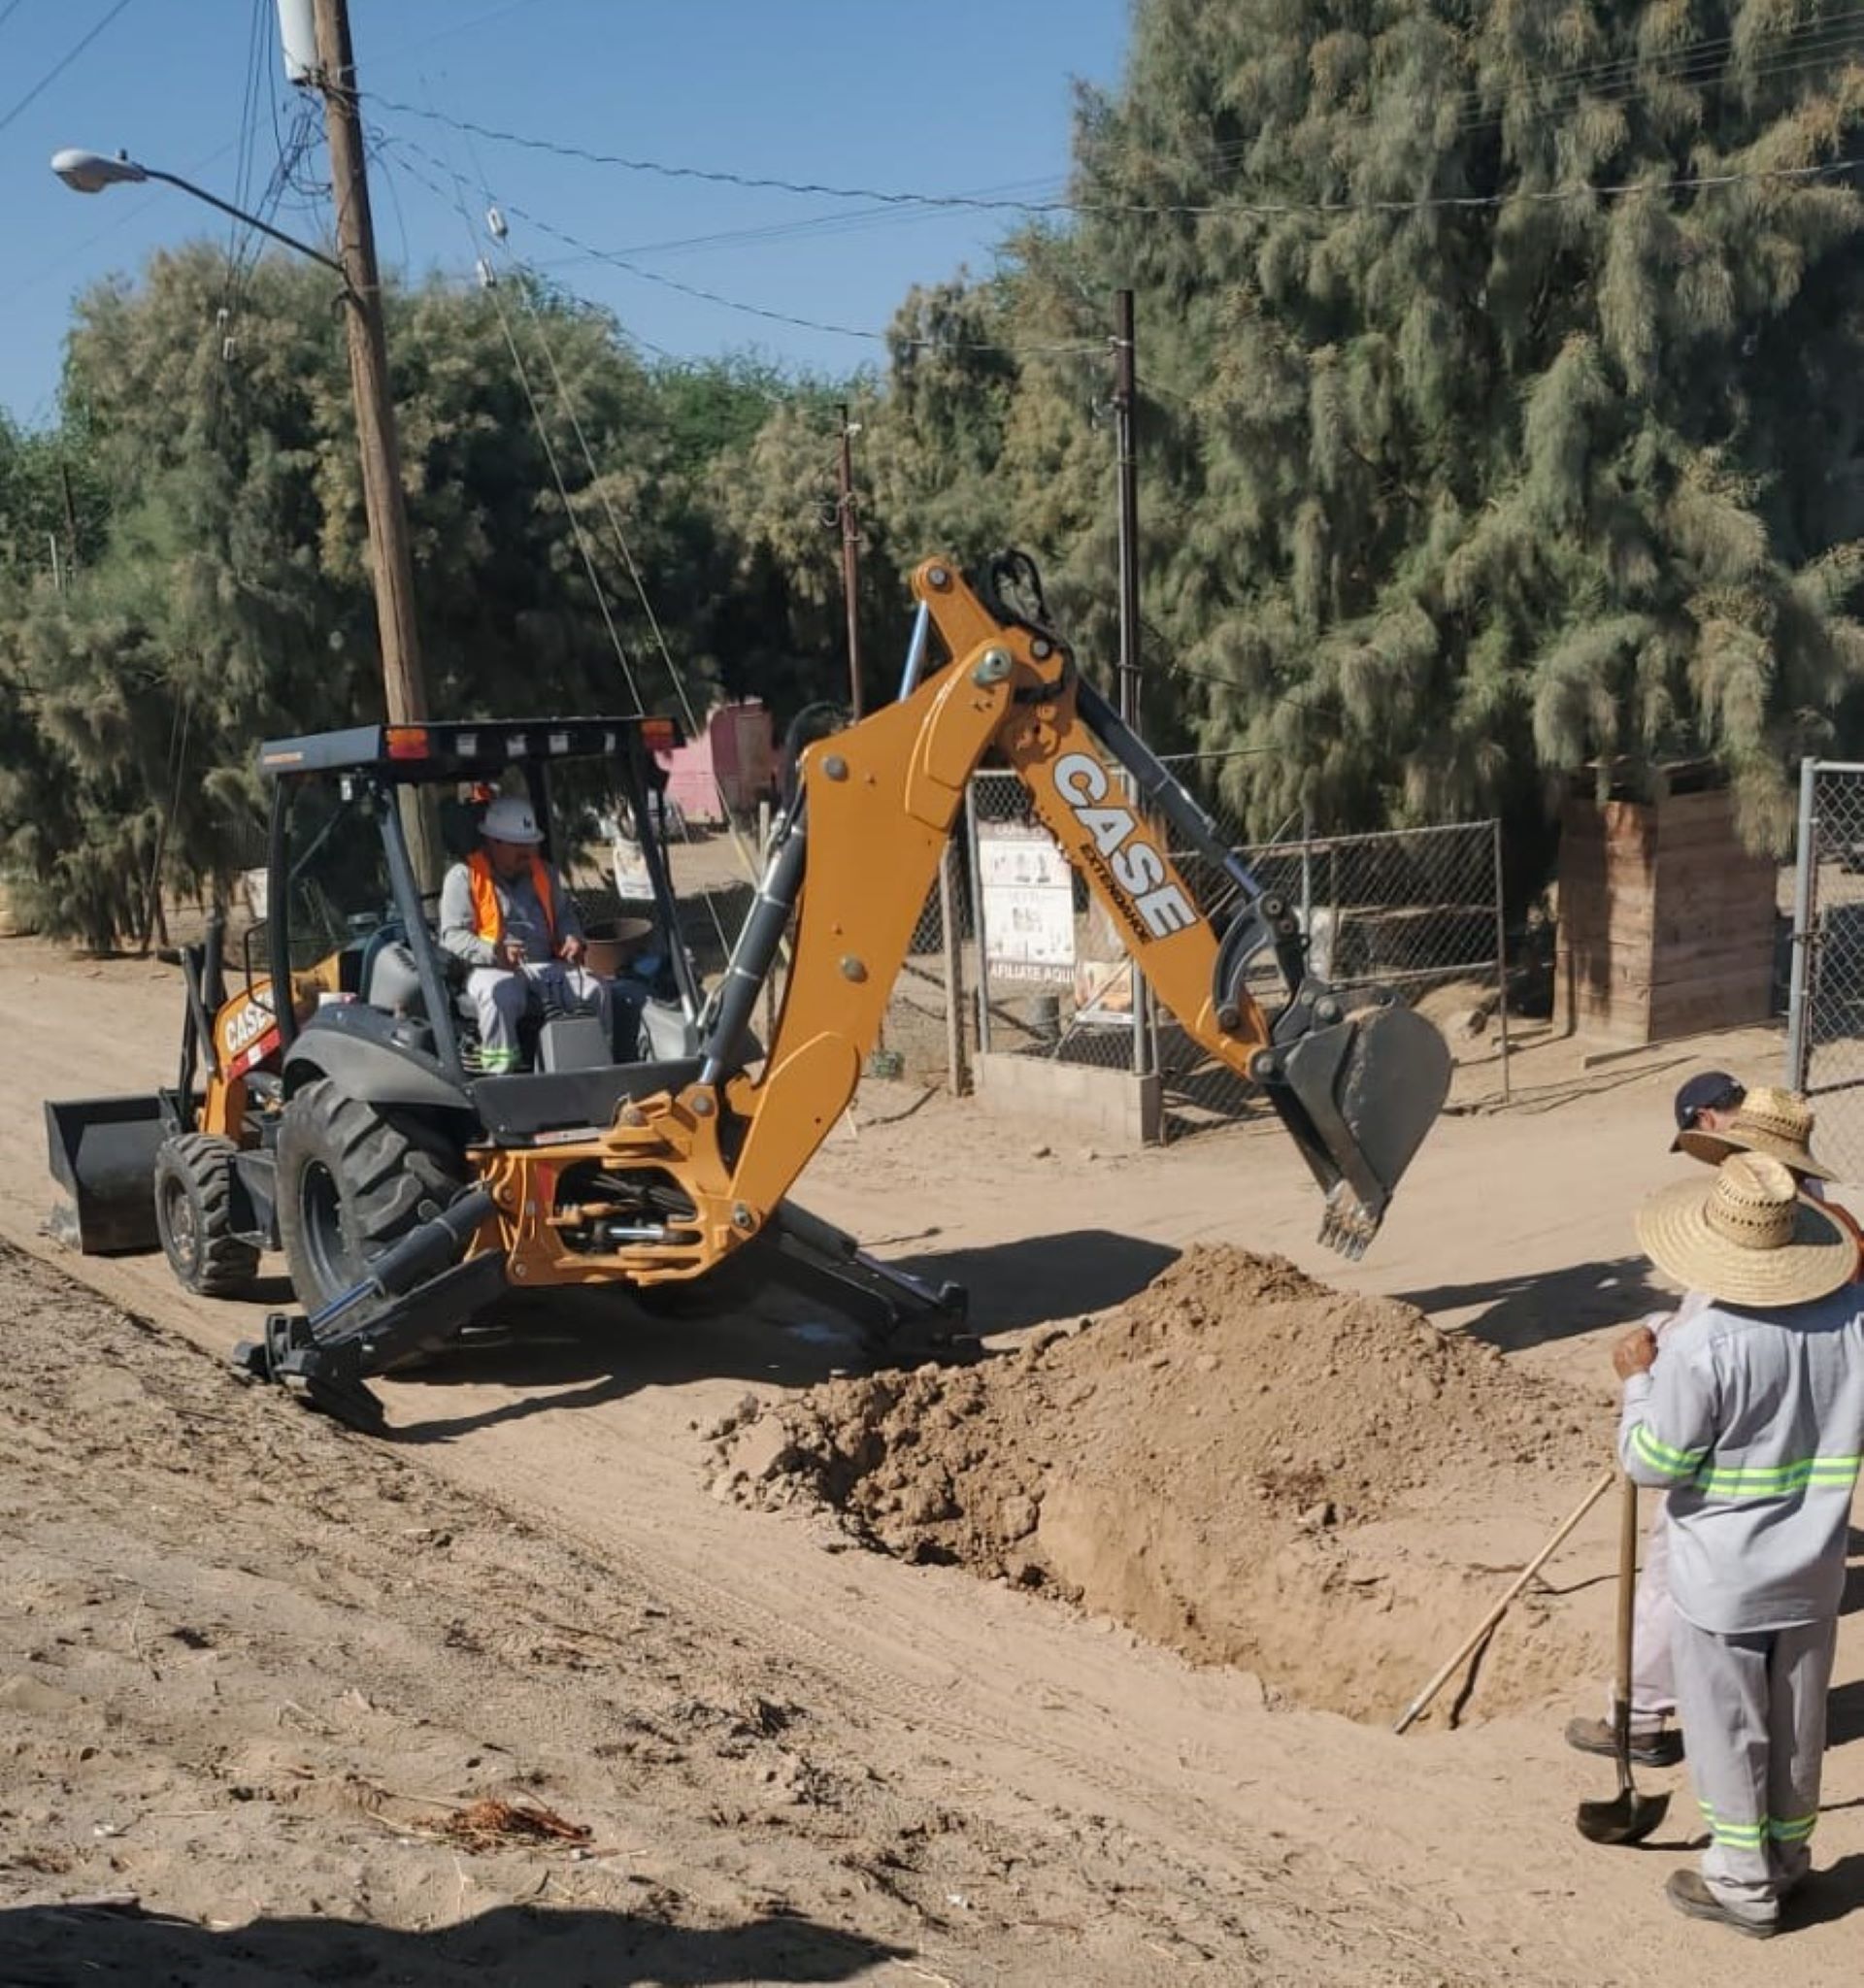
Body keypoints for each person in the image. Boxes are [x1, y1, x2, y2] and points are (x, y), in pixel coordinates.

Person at [1614, 1150, 1864, 1936]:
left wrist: (1636, 1384)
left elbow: (1651, 1463)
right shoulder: (1852, 1322)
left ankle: (1743, 1882)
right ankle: (1790, 1861)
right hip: (1814, 1570)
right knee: (1797, 1725)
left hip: (1721, 1578)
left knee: (1728, 1731)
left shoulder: (1705, 1343)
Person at [1563, 1073, 1747, 1770]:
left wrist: (1643, 1377)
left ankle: (1638, 1718)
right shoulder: (1810, 1204)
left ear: (1706, 1120)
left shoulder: (1746, 1211)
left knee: (1673, 1569)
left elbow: (1652, 1461)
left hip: (1713, 1431)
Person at [438, 795, 612, 1073]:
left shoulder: (545, 873)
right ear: (493, 842)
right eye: (518, 845)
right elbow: (452, 935)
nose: (527, 852)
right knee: (499, 996)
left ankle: (600, 1067)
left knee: (594, 989)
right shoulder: (463, 877)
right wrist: (493, 952)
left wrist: (571, 936)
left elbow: (565, 914)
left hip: (546, 966)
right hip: (492, 969)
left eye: (530, 844)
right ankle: (500, 1075)